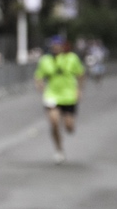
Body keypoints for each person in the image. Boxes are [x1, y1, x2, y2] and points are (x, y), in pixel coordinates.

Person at [34, 36, 85, 164]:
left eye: (58, 46)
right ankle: (59, 150)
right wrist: (39, 85)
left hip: (68, 96)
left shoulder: (72, 58)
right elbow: (38, 75)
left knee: (69, 127)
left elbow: (80, 74)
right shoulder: (45, 60)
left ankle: (67, 124)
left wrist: (79, 90)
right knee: (54, 122)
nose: (56, 48)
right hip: (52, 95)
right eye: (54, 46)